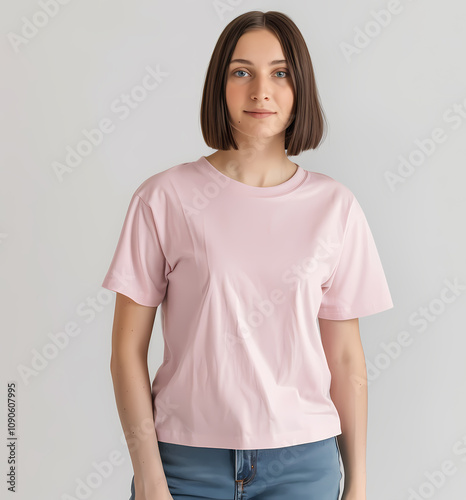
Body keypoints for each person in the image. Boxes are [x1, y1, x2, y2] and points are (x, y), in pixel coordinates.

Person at [102, 10, 393, 500]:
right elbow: (126, 354)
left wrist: (358, 482)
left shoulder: (334, 207)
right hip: (183, 464)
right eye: (242, 72)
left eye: (280, 73)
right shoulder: (164, 198)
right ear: (220, 85)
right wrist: (151, 480)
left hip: (304, 466)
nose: (261, 90)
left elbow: (345, 359)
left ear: (300, 87)